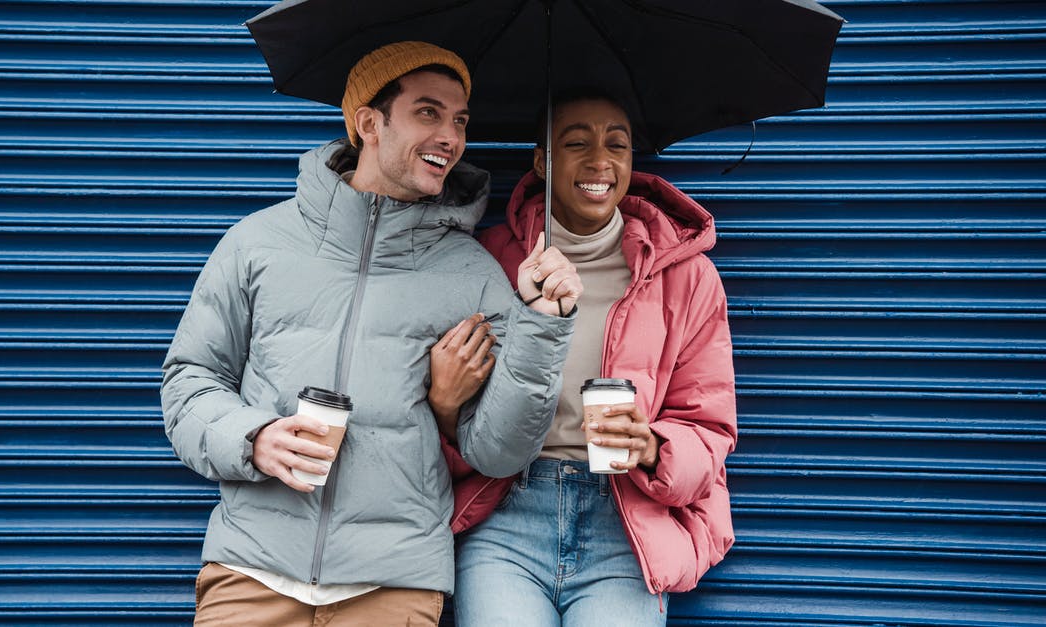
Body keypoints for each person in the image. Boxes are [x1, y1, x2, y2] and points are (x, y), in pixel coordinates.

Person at [160, 41, 582, 626]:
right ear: (369, 123)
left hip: (391, 586)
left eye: (460, 120)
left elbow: (501, 450)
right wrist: (251, 437)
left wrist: (542, 324)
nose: (451, 137)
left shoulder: (474, 273)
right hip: (251, 572)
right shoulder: (256, 243)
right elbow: (190, 379)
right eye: (428, 112)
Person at [434, 89, 738, 626]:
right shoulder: (488, 262)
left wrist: (652, 446)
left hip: (627, 523)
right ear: (541, 160)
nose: (600, 160)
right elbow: (453, 414)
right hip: (507, 518)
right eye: (576, 143)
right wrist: (446, 409)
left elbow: (709, 426)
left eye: (616, 145)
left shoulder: (686, 276)